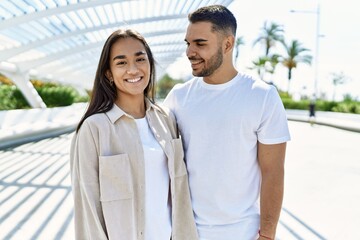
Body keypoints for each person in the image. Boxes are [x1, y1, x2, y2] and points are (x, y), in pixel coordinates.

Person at [163, 5, 291, 240]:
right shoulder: (178, 97)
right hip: (186, 231)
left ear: (227, 44)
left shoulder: (261, 96)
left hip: (243, 232)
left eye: (200, 44)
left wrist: (268, 235)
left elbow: (273, 171)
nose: (190, 52)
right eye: (187, 43)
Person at [70, 29, 198, 240]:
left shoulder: (166, 119)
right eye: (121, 63)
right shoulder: (94, 128)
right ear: (108, 73)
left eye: (140, 59)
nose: (133, 69)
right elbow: (88, 207)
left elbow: (179, 190)